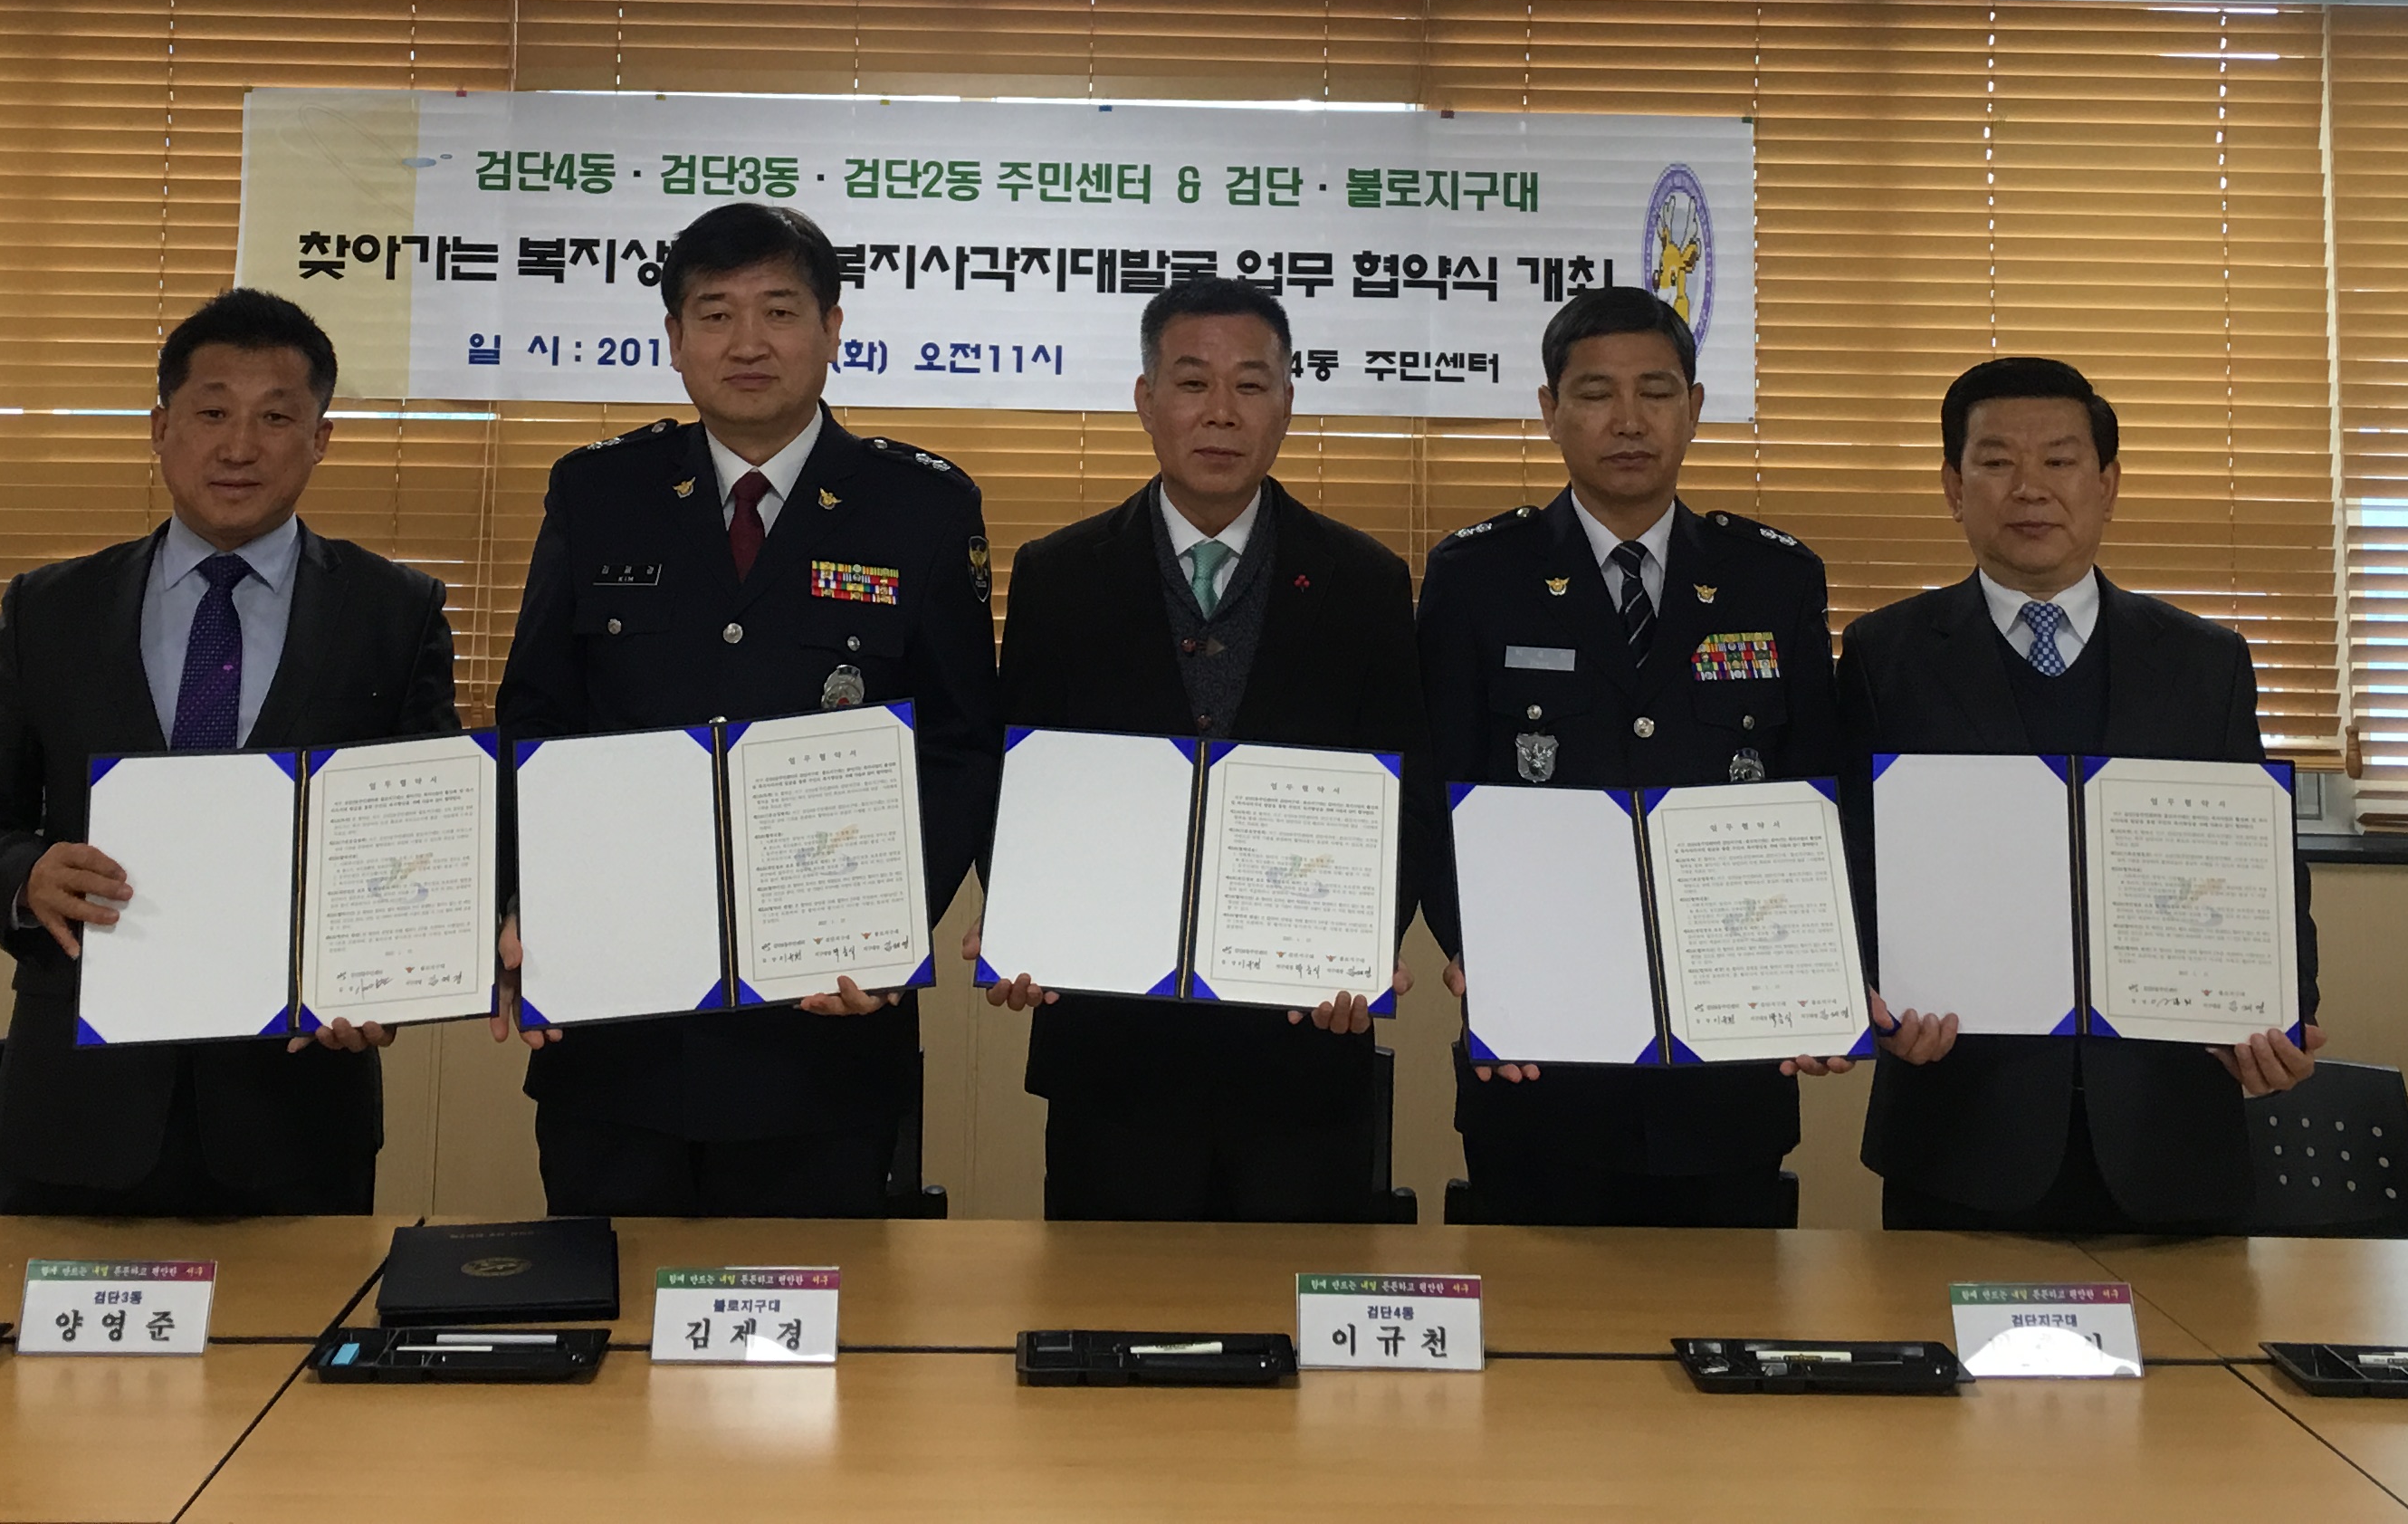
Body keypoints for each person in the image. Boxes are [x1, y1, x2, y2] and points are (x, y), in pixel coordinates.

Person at [492, 200, 998, 1218]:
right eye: (716, 314)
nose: (749, 342)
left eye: (780, 310)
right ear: (674, 338)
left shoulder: (920, 507)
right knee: (612, 1297)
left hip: (822, 1034)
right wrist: (518, 902)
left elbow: (957, 743)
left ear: (832, 329)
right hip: (617, 1029)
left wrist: (890, 929)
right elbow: (536, 721)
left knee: (807, 1311)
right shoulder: (599, 493)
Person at [0, 288, 458, 1215]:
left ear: (321, 439)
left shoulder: (392, 613)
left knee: (293, 1318)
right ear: (160, 428)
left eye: (276, 418)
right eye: (212, 414)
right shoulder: (52, 609)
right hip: (79, 1103)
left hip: (296, 1105)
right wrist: (26, 873)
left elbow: (430, 829)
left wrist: (392, 971)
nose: (239, 447)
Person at [973, 274, 1424, 1221]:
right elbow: (1014, 782)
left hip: (1302, 1053)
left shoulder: (1366, 582)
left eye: (1251, 385)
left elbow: (1406, 796)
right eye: (1191, 383)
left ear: (1287, 402)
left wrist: (1365, 946)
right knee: (1111, 1303)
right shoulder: (1059, 576)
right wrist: (1020, 923)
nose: (1221, 412)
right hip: (1112, 1059)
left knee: (1295, 1304)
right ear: (1146, 400)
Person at [1843, 354, 2320, 1233]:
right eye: (1996, 462)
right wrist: (1872, 997)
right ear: (1953, 487)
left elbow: (2260, 867)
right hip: (1961, 1129)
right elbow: (1857, 861)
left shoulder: (2204, 663)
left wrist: (2280, 1014)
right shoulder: (1885, 657)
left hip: (2170, 1127)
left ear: (2107, 484)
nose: (2030, 487)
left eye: (2059, 461)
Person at [1415, 285, 1848, 1225]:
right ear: (1550, 410)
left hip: (1726, 1065)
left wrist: (1811, 976)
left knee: (1728, 1301)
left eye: (1655, 393)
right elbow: (1439, 796)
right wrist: (1481, 954)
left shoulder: (1771, 579)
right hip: (1539, 1059)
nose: (1627, 420)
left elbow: (1816, 792)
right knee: (1536, 1308)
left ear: (1694, 408)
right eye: (1595, 393)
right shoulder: (1478, 576)